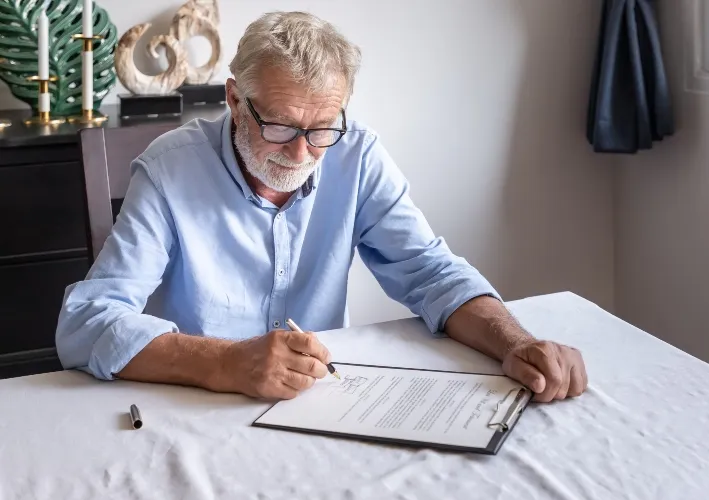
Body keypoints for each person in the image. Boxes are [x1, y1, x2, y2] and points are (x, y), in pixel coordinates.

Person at [56, 11, 587, 403]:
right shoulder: (169, 169)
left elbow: (431, 273)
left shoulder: (356, 154)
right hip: (190, 402)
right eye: (282, 126)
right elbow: (85, 323)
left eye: (322, 128)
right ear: (235, 101)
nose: (302, 152)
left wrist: (515, 343)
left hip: (317, 403)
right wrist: (224, 361)